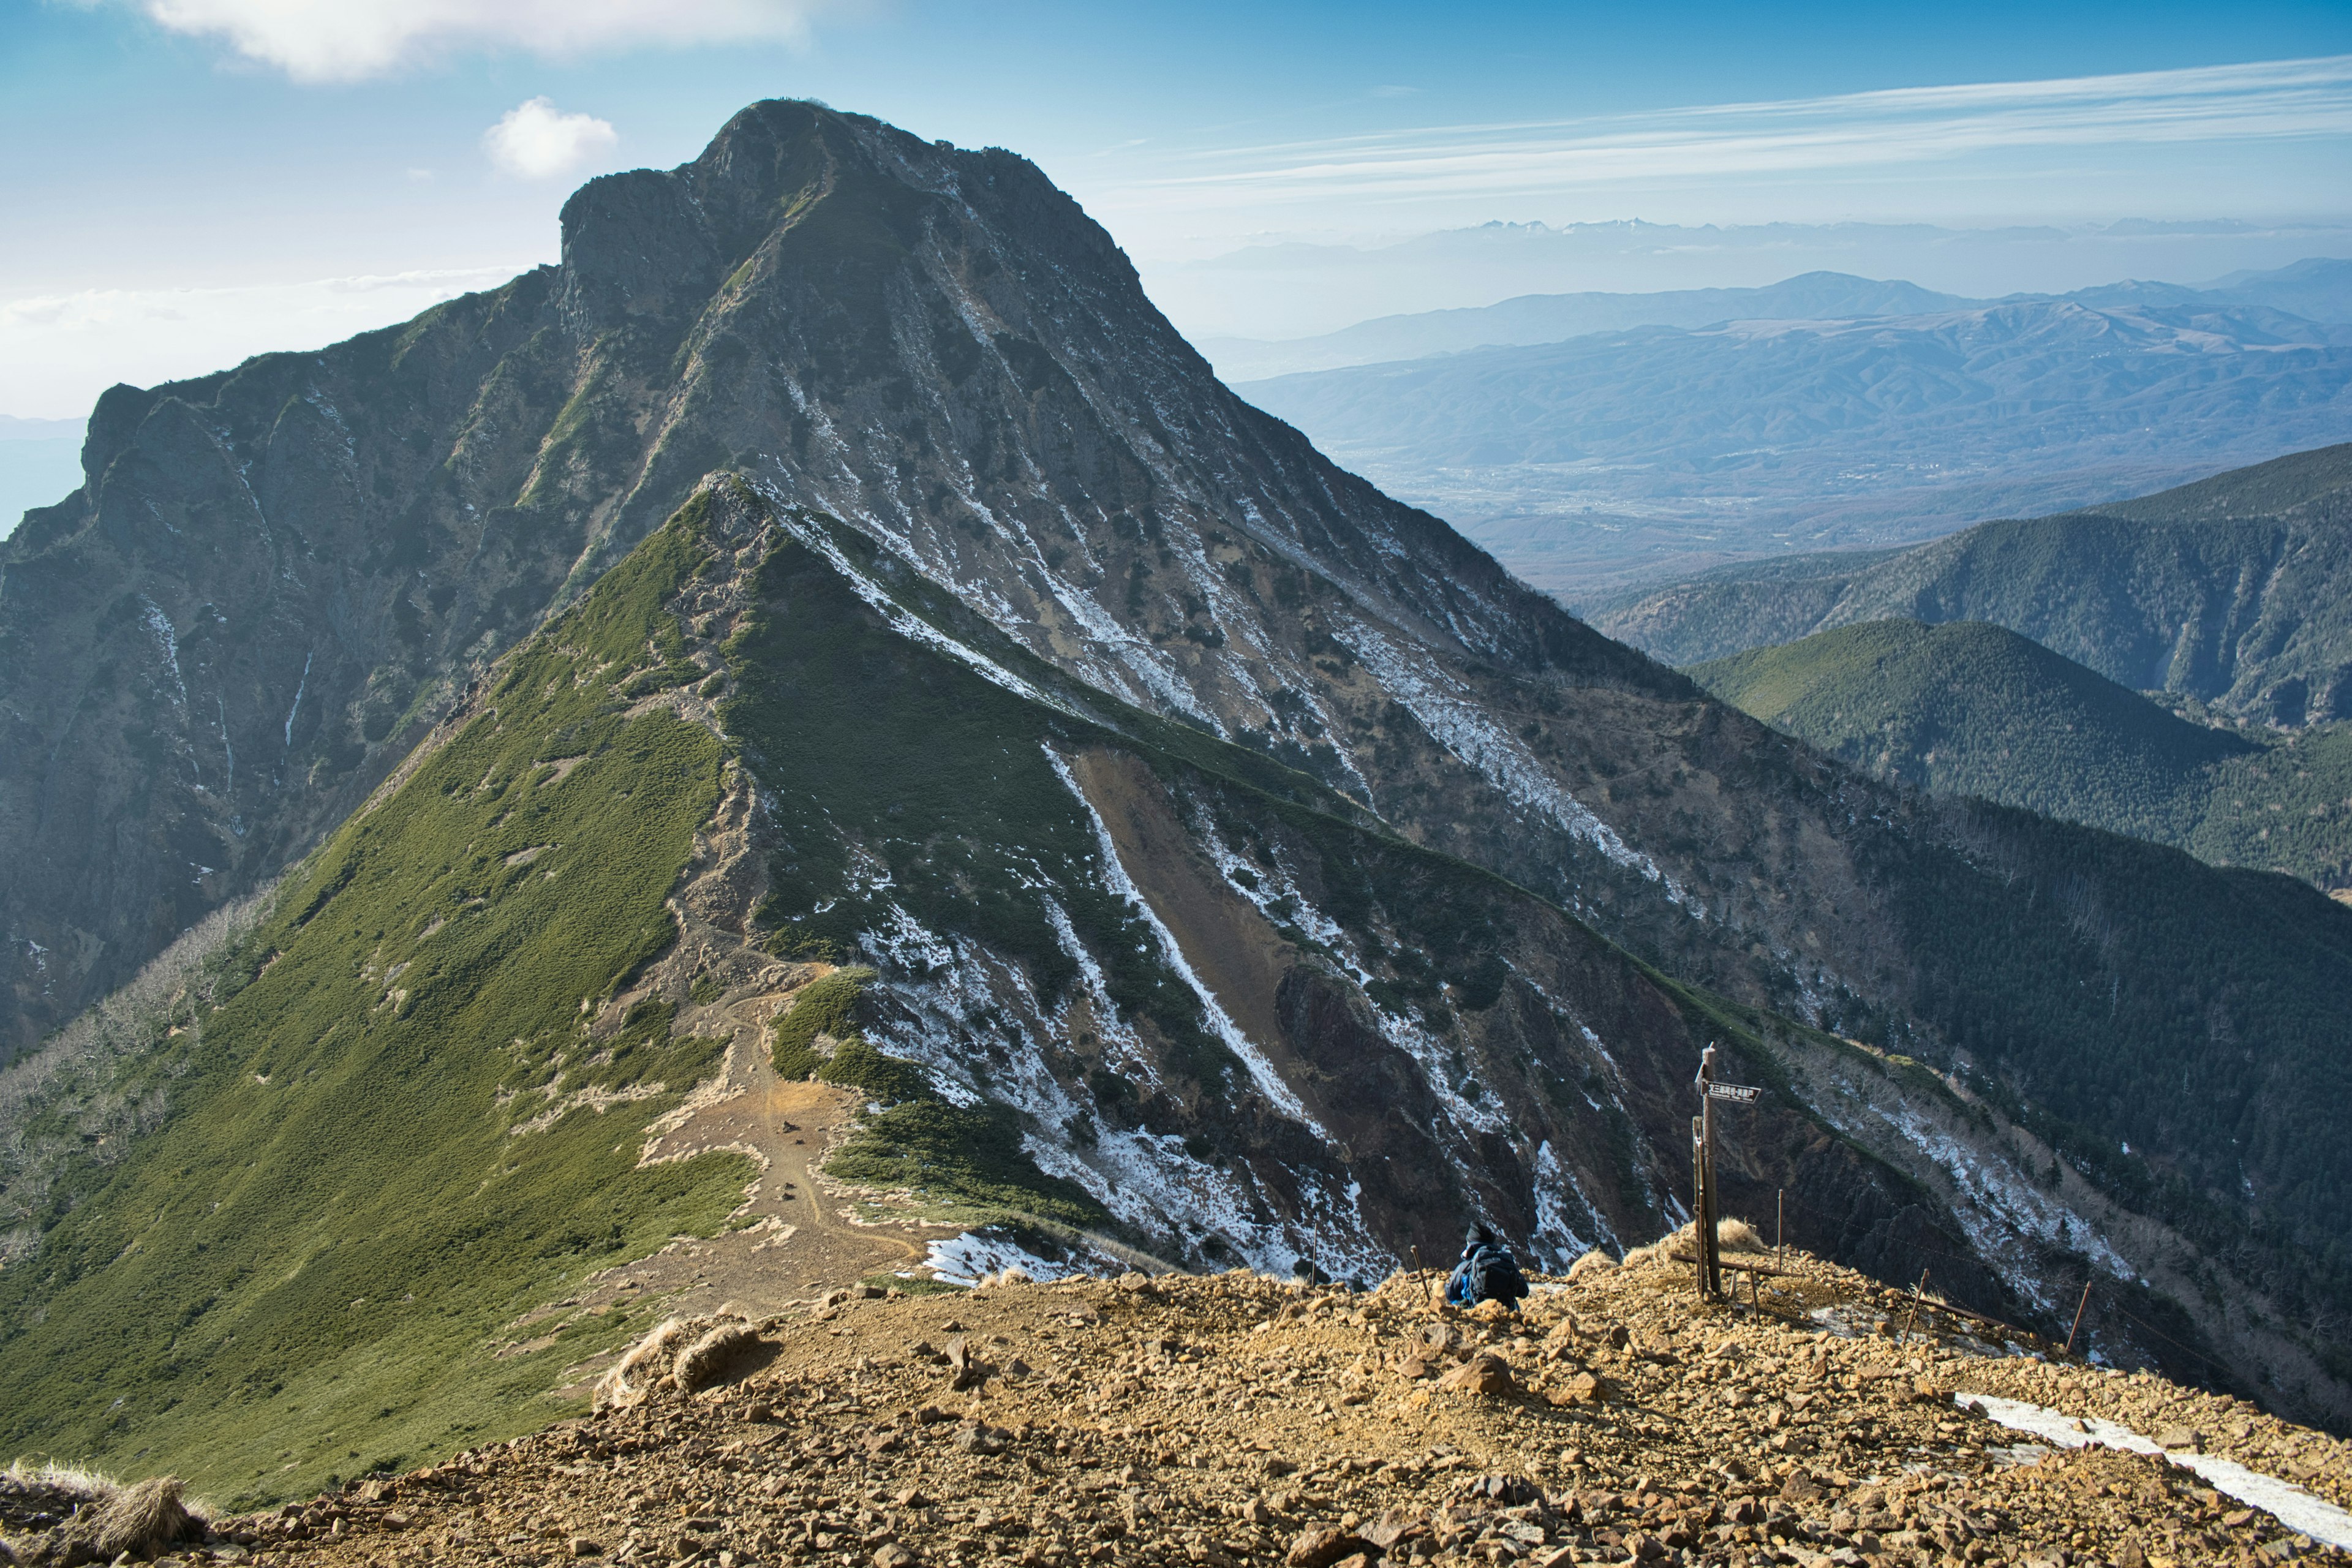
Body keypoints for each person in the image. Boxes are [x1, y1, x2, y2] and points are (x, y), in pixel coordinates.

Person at [1445, 1224, 1529, 1311]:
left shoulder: (1466, 1266)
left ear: (1470, 1243)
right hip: (1507, 1314)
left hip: (1479, 1314)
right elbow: (1524, 1292)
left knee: (1454, 1299)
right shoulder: (1506, 1261)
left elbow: (1451, 1294)